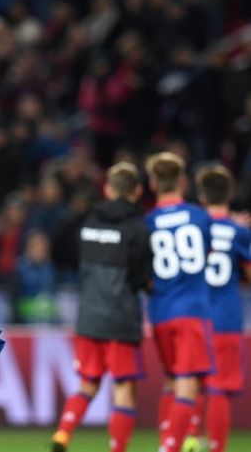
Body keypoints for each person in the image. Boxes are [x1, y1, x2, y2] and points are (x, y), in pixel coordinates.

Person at [50, 162, 151, 452]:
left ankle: (63, 432)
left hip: (89, 316)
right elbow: (140, 276)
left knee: (88, 383)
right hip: (120, 317)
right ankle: (117, 448)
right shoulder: (137, 228)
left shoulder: (89, 222)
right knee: (123, 388)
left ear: (108, 189)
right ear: (137, 191)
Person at [144, 152, 215, 452]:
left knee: (171, 383)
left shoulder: (147, 223)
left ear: (153, 183)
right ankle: (170, 447)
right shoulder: (200, 217)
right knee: (188, 385)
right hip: (192, 310)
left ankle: (167, 440)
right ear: (183, 181)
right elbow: (207, 255)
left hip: (160, 312)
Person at [182, 165, 251, 452]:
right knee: (219, 387)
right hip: (225, 317)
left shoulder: (192, 228)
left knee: (191, 384)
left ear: (201, 196)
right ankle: (216, 448)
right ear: (231, 193)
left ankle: (189, 439)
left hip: (193, 315)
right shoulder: (237, 231)